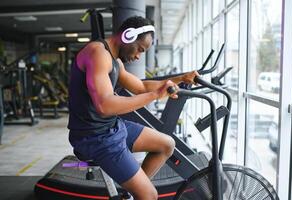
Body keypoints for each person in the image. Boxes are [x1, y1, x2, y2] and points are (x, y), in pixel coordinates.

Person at [68, 16, 199, 200]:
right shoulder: (97, 54)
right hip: (94, 138)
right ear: (128, 36)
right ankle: (141, 193)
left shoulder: (115, 61)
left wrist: (181, 78)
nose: (138, 56)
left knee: (166, 145)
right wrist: (155, 95)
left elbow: (141, 87)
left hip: (111, 128)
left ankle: (132, 194)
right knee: (149, 196)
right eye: (140, 49)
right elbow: (105, 106)